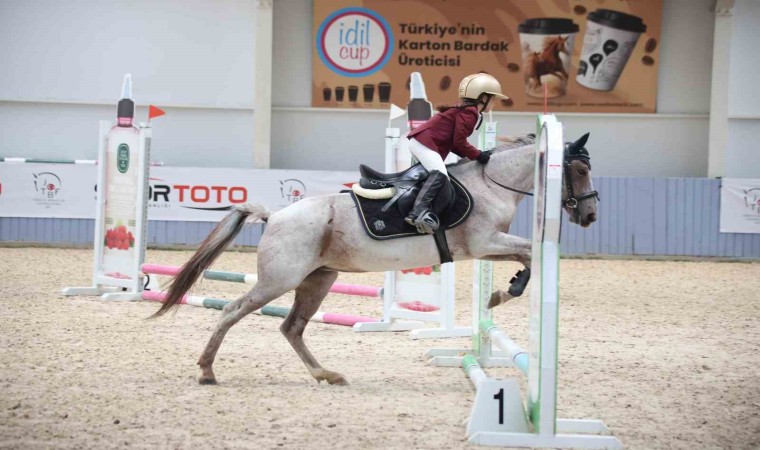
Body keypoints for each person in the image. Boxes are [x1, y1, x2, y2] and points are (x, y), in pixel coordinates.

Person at [404, 73, 509, 234]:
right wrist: (478, 155)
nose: (494, 103)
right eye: (493, 99)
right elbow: (460, 142)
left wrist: (474, 157)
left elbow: (455, 144)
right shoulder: (470, 113)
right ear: (483, 98)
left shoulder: (466, 111)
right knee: (440, 175)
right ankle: (417, 213)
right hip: (423, 143)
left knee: (440, 177)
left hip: (421, 142)